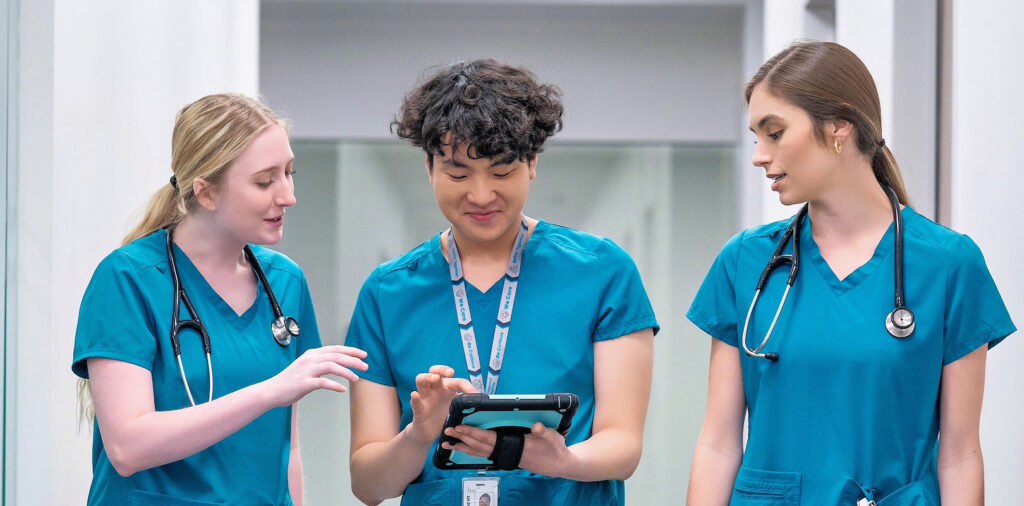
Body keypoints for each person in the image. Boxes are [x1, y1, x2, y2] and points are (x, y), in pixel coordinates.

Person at [686, 41, 1016, 505]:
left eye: (774, 133)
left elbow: (960, 455)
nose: (759, 154)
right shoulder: (745, 261)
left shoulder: (948, 265)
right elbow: (718, 444)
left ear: (839, 126)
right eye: (757, 136)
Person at [346, 59, 659, 505]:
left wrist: (560, 461)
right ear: (429, 167)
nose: (480, 195)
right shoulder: (387, 292)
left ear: (532, 163)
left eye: (501, 172)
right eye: (458, 174)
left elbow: (623, 446)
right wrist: (419, 434)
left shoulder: (602, 271)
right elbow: (368, 485)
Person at [71, 93, 368, 505]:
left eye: (289, 172)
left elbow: (287, 448)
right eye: (265, 181)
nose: (288, 196)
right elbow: (127, 447)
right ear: (206, 193)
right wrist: (268, 392)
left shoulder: (284, 283)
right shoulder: (128, 280)